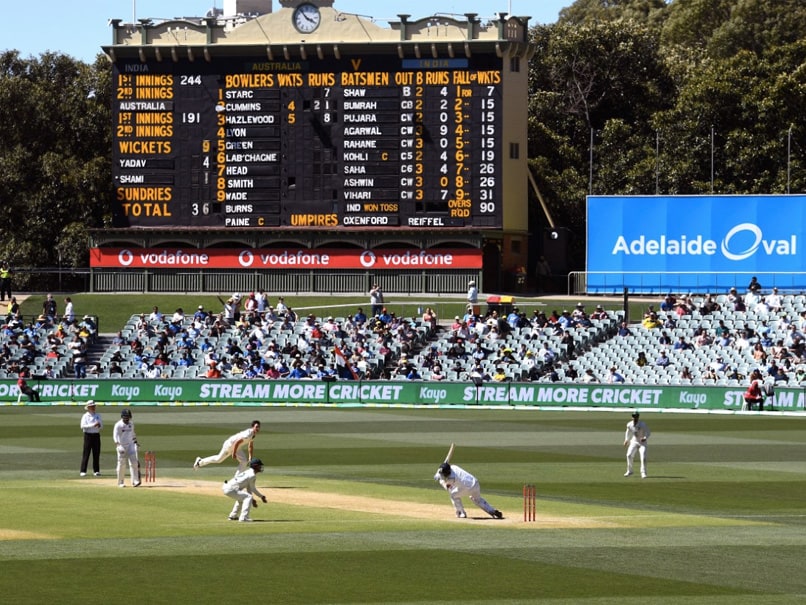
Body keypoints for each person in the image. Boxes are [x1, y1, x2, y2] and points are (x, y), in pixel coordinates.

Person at [433, 461, 503, 519]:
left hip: (467, 488)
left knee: (453, 495)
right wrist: (440, 472)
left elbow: (448, 487)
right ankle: (492, 511)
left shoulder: (451, 478)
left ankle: (461, 513)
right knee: (477, 499)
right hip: (475, 483)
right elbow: (443, 472)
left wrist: (441, 481)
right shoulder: (453, 467)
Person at [194, 420, 261, 471]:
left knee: (244, 461)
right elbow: (236, 442)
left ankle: (237, 479)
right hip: (230, 445)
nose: (258, 428)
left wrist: (250, 457)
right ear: (253, 427)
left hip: (236, 447)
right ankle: (200, 462)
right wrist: (234, 453)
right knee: (218, 459)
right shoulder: (248, 434)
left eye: (258, 427)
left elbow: (250, 446)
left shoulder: (253, 435)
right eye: (256, 427)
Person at [222, 458, 267, 522]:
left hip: (227, 487)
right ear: (255, 466)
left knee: (244, 498)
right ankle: (244, 517)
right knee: (248, 497)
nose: (260, 467)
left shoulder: (248, 472)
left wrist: (252, 500)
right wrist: (261, 496)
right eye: (259, 466)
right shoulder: (252, 475)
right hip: (231, 489)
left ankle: (233, 516)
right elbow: (253, 489)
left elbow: (249, 489)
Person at [113, 408, 141, 488]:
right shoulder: (118, 425)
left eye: (128, 417)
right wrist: (118, 445)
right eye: (125, 417)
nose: (127, 418)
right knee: (122, 464)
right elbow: (115, 436)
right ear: (122, 416)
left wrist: (135, 442)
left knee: (134, 462)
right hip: (121, 445)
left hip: (130, 445)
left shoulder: (131, 424)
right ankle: (121, 481)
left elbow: (133, 433)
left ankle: (135, 481)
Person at [79, 400, 103, 477]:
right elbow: (82, 426)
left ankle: (96, 470)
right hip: (88, 436)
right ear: (88, 407)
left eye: (94, 406)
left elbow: (102, 426)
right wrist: (93, 425)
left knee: (96, 453)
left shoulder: (98, 415)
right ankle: (83, 471)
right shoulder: (85, 416)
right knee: (86, 453)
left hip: (96, 435)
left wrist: (99, 425)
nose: (93, 407)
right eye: (92, 406)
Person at [623, 412, 650, 479]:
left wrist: (645, 438)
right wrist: (626, 440)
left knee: (643, 457)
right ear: (632, 417)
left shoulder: (642, 424)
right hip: (634, 441)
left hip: (642, 443)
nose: (634, 418)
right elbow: (627, 431)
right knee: (629, 455)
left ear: (638, 417)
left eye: (636, 417)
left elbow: (648, 432)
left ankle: (643, 472)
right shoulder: (629, 424)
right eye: (633, 416)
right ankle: (630, 471)